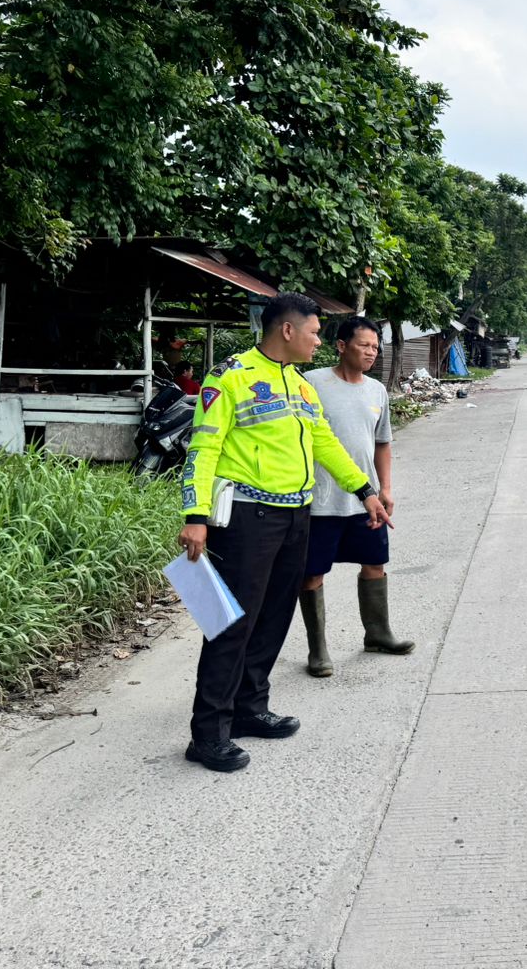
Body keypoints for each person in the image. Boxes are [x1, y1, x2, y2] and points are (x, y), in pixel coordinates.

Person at [176, 292, 389, 773]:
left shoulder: (300, 385)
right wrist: (195, 515)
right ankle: (208, 734)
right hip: (248, 518)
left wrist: (364, 489)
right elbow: (203, 450)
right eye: (315, 332)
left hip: (297, 515)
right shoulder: (230, 377)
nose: (319, 340)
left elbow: (323, 442)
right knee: (231, 624)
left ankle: (250, 709)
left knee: (274, 617)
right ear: (288, 330)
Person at [299, 316, 414, 676]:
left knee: (375, 564)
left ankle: (377, 633)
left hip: (366, 499)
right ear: (341, 345)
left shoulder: (376, 390)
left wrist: (386, 488)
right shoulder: (311, 382)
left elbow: (383, 443)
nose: (371, 353)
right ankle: (318, 650)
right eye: (364, 345)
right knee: (313, 573)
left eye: (375, 348)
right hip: (320, 500)